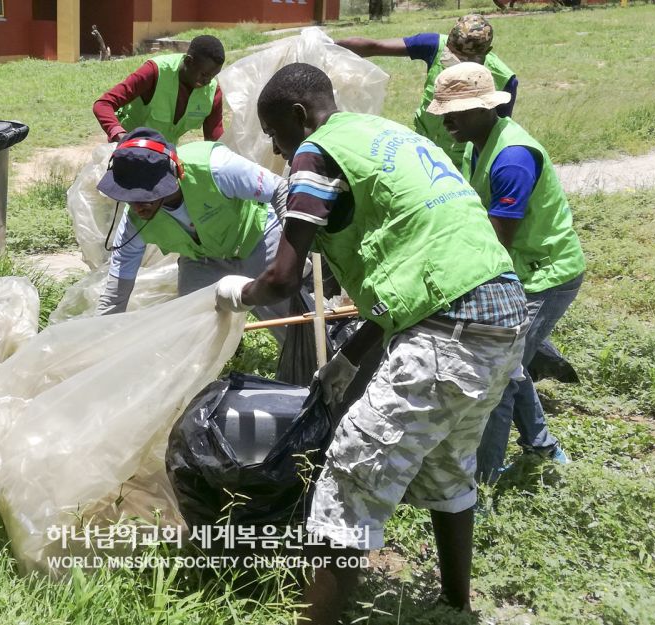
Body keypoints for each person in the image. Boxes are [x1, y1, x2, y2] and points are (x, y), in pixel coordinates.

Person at [214, 63, 528, 623]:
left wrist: (237, 292)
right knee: (448, 469)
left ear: (297, 115)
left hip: (446, 331)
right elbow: (413, 270)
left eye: (274, 136)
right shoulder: (387, 136)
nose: (278, 152)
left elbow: (283, 279)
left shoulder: (316, 152)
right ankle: (456, 604)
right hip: (500, 319)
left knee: (347, 484)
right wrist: (349, 356)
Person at [428, 62, 586, 482]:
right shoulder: (475, 142)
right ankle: (544, 446)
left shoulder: (511, 160)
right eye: (443, 112)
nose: (446, 122)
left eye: (454, 113)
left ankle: (482, 482)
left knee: (495, 379)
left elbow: (496, 243)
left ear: (483, 108)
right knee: (511, 365)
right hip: (520, 271)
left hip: (544, 276)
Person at [96, 127, 290, 336]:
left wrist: (293, 250)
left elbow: (279, 189)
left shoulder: (214, 166)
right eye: (129, 198)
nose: (137, 207)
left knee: (291, 323)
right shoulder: (134, 221)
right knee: (192, 331)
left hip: (257, 237)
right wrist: (97, 339)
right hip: (202, 259)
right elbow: (116, 293)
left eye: (145, 197)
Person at [336, 14, 517, 167]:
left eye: (466, 57)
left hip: (463, 162)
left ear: (487, 52)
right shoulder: (435, 45)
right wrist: (327, 44)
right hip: (421, 149)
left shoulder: (503, 78)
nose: (456, 59)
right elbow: (375, 47)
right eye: (453, 52)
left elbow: (496, 135)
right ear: (449, 41)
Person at [92, 35, 226, 145]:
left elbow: (214, 140)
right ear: (189, 61)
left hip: (162, 158)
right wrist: (120, 136)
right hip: (128, 151)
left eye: (213, 76)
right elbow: (103, 104)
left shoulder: (213, 92)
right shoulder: (155, 72)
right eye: (204, 74)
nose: (207, 81)